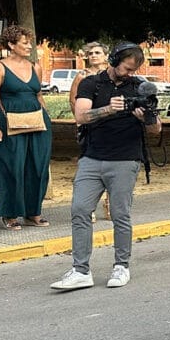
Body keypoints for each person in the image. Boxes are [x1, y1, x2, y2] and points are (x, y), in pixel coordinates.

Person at [50, 43, 161, 290]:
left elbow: (156, 129)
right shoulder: (92, 84)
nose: (130, 73)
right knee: (80, 209)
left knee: (120, 214)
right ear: (113, 60)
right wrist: (109, 109)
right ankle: (80, 270)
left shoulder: (139, 87)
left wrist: (147, 117)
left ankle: (121, 266)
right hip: (92, 157)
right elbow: (80, 116)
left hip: (125, 159)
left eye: (134, 69)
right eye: (126, 68)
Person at [0, 25, 53, 230]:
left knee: (38, 167)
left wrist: (47, 118)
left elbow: (38, 95)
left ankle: (33, 212)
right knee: (11, 167)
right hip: (9, 122)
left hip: (37, 122)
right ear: (11, 45)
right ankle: (10, 213)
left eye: (29, 42)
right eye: (24, 42)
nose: (29, 46)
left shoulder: (35, 67)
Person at [71, 42, 112, 221]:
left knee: (113, 166)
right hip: (90, 127)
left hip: (111, 127)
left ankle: (111, 204)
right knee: (90, 167)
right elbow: (73, 100)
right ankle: (89, 207)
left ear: (106, 56)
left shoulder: (113, 74)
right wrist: (81, 121)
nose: (93, 55)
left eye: (97, 52)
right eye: (91, 53)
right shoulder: (82, 76)